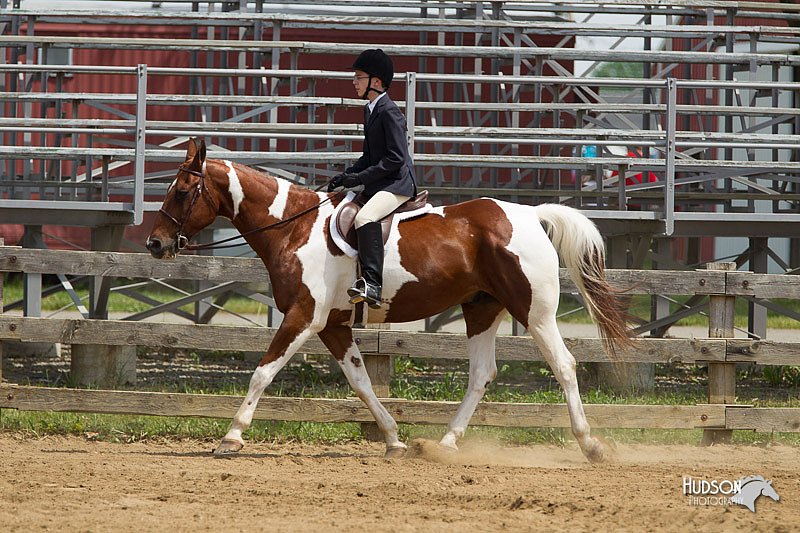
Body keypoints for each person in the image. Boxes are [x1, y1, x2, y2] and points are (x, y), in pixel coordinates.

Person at [328, 49, 417, 309]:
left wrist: (360, 177)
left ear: (375, 82)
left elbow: (395, 159)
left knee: (365, 218)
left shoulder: (389, 112)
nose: (354, 82)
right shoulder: (371, 109)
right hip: (383, 181)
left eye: (359, 77)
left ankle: (372, 285)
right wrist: (347, 176)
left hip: (398, 183)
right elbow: (369, 155)